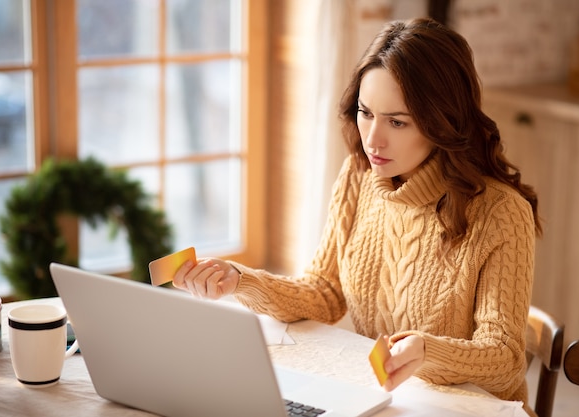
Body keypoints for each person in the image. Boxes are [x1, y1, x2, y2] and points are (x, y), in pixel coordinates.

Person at [174, 17, 541, 416]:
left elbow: (504, 360)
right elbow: (324, 294)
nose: (372, 139)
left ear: (443, 122)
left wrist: (426, 351)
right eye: (366, 113)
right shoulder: (359, 175)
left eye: (397, 122)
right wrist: (240, 280)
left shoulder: (501, 214)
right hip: (387, 402)